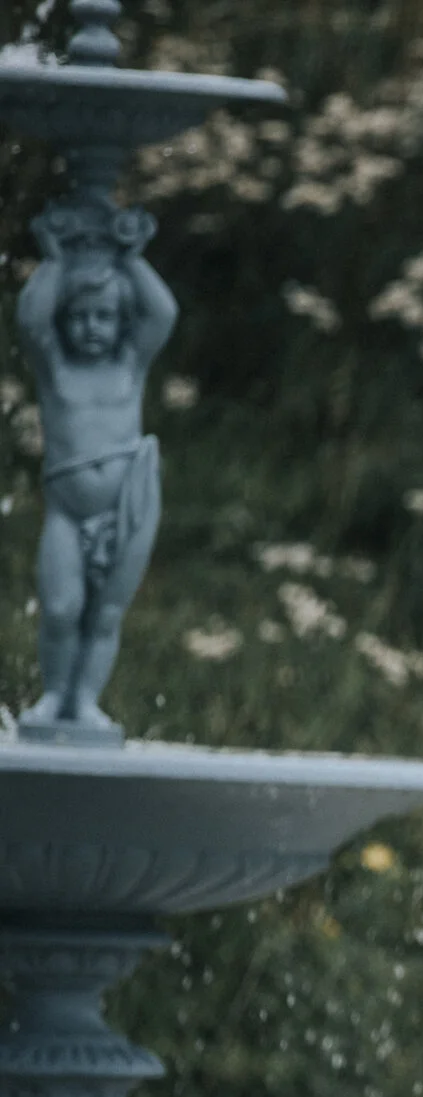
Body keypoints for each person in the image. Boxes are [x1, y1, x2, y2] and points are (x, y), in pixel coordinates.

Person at [15, 201, 177, 735]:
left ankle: (85, 701)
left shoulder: (129, 365)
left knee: (105, 613)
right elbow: (30, 320)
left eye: (104, 317)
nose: (91, 327)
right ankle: (53, 694)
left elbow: (163, 314)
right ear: (65, 321)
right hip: (67, 509)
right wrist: (54, 260)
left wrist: (132, 259)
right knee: (62, 608)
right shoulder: (56, 370)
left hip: (128, 503)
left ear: (121, 322)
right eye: (80, 317)